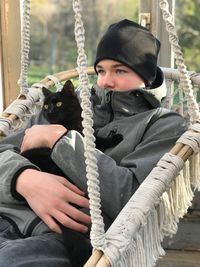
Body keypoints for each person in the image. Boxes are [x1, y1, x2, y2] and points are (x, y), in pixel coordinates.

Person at [0, 19, 187, 266]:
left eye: (120, 70)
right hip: (9, 213)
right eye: (100, 70)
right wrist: (23, 178)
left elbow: (132, 198)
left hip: (69, 234)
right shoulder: (69, 104)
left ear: (146, 77)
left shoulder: (162, 124)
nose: (105, 81)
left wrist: (60, 140)